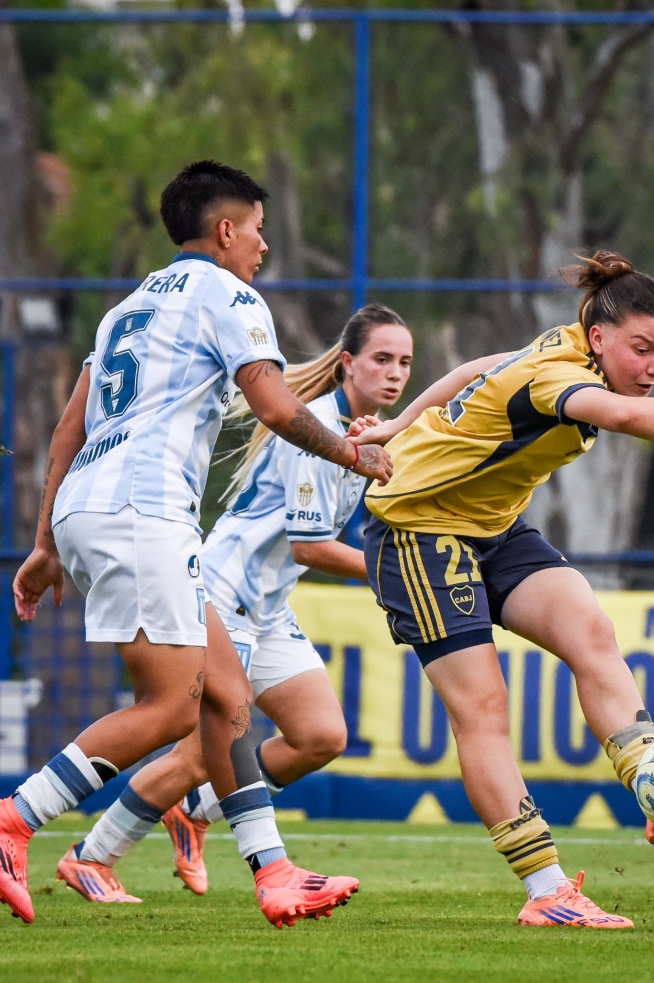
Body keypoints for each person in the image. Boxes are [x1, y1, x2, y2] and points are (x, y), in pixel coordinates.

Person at [2, 161, 392, 928]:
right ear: (224, 230)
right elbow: (274, 406)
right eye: (257, 230)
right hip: (144, 510)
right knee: (169, 711)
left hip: (92, 505)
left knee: (225, 694)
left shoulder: (127, 308)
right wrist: (352, 453)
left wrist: (47, 544)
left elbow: (68, 429)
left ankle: (274, 873)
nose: (263, 246)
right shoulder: (229, 295)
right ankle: (15, 820)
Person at [350, 250, 654, 930]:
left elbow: (476, 369)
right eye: (641, 349)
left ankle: (652, 781)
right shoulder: (563, 376)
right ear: (598, 338)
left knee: (592, 633)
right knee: (484, 709)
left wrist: (398, 422)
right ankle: (547, 890)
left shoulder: (563, 347)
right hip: (418, 530)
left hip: (492, 526)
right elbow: (629, 419)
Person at [55, 303, 413, 899]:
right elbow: (309, 547)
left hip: (266, 606)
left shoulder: (360, 432)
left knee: (320, 736)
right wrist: (396, 574)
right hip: (225, 592)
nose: (395, 372)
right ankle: (91, 857)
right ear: (348, 364)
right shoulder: (318, 433)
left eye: (404, 361)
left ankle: (194, 810)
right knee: (201, 752)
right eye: (382, 359)